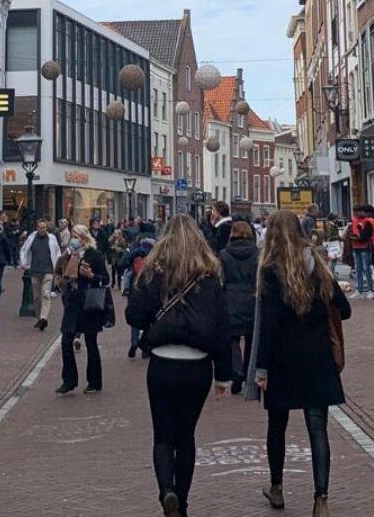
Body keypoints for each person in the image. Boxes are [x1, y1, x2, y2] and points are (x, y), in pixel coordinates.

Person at [125, 216, 232, 517]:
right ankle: (181, 506)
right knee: (186, 436)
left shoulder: (153, 272)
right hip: (198, 365)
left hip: (162, 361)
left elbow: (134, 315)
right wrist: (224, 374)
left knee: (163, 435)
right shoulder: (209, 277)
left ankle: (166, 491)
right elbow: (222, 328)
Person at [250, 211, 350, 517]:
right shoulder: (319, 266)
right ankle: (321, 498)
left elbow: (268, 325)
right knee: (317, 427)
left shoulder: (270, 271)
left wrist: (261, 368)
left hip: (283, 359)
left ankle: (277, 488)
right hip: (318, 357)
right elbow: (343, 310)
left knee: (277, 424)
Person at [56, 224, 110, 394]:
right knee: (66, 340)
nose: (73, 239)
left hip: (88, 304)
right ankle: (69, 381)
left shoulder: (94, 256)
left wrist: (91, 276)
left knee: (90, 342)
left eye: (76, 236)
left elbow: (105, 279)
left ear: (84, 238)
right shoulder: (68, 255)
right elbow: (58, 272)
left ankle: (94, 381)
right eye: (72, 236)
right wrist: (60, 282)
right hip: (72, 303)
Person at [219, 220, 259, 394]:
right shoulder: (257, 253)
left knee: (232, 338)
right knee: (251, 339)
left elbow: (221, 279)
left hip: (231, 300)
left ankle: (236, 370)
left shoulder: (224, 254)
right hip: (252, 299)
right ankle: (247, 371)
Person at [20, 218, 63, 331]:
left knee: (45, 294)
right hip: (35, 271)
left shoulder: (52, 239)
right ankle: (39, 317)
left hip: (48, 271)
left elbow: (57, 252)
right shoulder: (31, 238)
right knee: (36, 297)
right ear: (37, 228)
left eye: (44, 228)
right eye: (40, 228)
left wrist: (57, 266)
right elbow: (24, 250)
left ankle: (44, 317)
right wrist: (24, 263)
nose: (42, 230)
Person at [124, 221, 159, 358]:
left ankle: (134, 341)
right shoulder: (156, 245)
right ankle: (146, 346)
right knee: (150, 315)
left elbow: (127, 261)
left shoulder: (136, 242)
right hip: (150, 283)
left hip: (135, 283)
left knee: (135, 311)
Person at [348, 205, 374, 298]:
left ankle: (370, 289)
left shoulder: (367, 220)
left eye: (356, 212)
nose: (355, 214)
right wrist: (351, 236)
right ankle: (359, 289)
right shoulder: (354, 220)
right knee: (358, 269)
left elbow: (367, 234)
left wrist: (359, 237)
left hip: (365, 247)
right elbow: (352, 230)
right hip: (356, 247)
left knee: (367, 269)